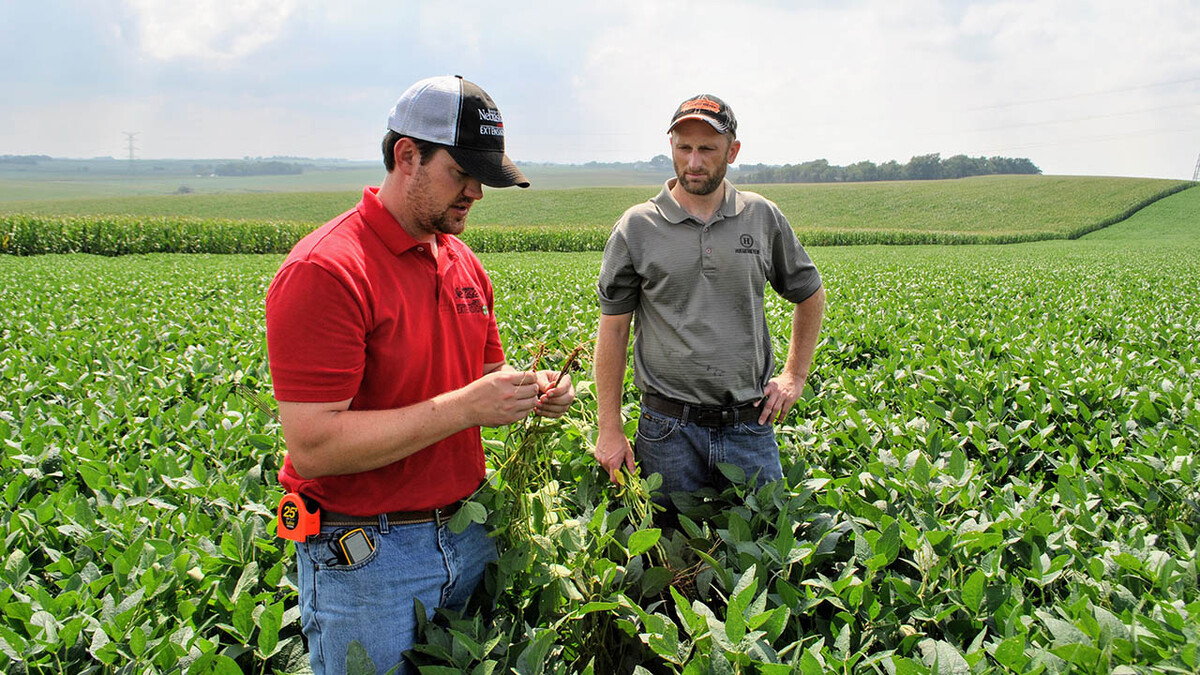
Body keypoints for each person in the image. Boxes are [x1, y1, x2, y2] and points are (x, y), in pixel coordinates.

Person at [265, 75, 575, 675]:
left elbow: (485, 376)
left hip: (466, 534)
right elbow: (314, 446)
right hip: (364, 554)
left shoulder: (461, 261)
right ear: (407, 156)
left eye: (483, 178)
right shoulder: (326, 270)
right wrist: (466, 407)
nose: (476, 193)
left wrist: (533, 393)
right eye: (462, 174)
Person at [593, 93, 825, 511]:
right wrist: (609, 425)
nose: (693, 162)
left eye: (707, 149)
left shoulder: (761, 216)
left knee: (768, 543)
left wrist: (794, 375)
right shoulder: (637, 227)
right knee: (669, 555)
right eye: (684, 148)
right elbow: (613, 328)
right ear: (671, 148)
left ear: (732, 151)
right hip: (666, 430)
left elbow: (809, 293)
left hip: (748, 426)